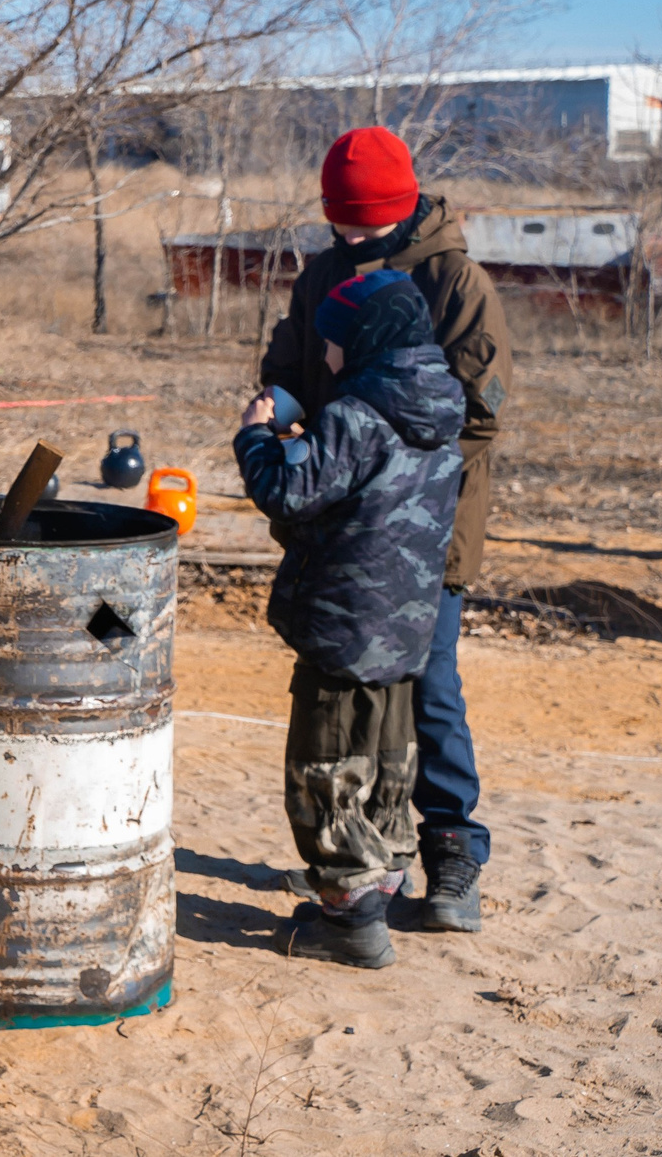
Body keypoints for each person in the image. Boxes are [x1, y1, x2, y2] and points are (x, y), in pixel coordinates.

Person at [260, 127, 507, 933]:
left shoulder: (454, 280)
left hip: (425, 532)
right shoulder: (324, 272)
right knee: (350, 701)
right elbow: (289, 365)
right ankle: (368, 864)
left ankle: (451, 851)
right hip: (338, 524)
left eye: (367, 222)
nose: (353, 236)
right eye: (342, 221)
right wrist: (290, 418)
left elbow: (477, 416)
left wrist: (377, 463)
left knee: (427, 686)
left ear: (404, 206)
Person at [235, 271, 465, 969]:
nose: (327, 356)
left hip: (343, 620)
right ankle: (384, 878)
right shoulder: (434, 409)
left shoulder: (356, 416)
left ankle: (351, 917)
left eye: (334, 343)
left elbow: (287, 490)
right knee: (388, 756)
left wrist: (256, 437)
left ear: (366, 341)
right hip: (405, 624)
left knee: (324, 766)